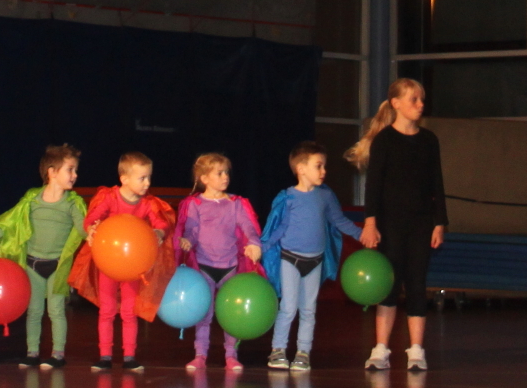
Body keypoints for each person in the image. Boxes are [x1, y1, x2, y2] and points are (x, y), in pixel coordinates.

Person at [351, 78, 447, 373]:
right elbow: (373, 186)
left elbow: (437, 183)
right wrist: (370, 223)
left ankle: (416, 350)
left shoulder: (429, 140)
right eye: (414, 99)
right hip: (390, 224)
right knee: (388, 285)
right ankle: (380, 349)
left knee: (417, 284)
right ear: (396, 103)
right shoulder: (384, 140)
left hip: (421, 223)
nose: (420, 104)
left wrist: (439, 222)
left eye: (421, 99)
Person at [0, 145, 88, 368]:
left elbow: (83, 227)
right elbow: (13, 223)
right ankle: (32, 353)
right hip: (32, 265)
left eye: (75, 170)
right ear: (52, 172)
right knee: (35, 311)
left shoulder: (72, 203)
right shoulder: (32, 199)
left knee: (56, 310)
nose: (75, 175)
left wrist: (94, 233)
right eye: (70, 169)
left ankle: (58, 354)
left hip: (57, 266)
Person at [262, 144, 363, 372]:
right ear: (301, 169)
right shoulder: (288, 197)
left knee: (308, 310)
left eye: (324, 166)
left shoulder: (325, 196)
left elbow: (339, 221)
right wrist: (261, 247)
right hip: (290, 259)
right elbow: (278, 229)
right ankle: (278, 350)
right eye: (318, 166)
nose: (323, 171)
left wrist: (361, 234)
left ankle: (303, 352)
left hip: (315, 261)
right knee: (288, 307)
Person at [75, 152, 176, 372]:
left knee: (129, 312)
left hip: (133, 267)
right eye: (142, 178)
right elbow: (92, 218)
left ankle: (130, 356)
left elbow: (162, 224)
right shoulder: (110, 198)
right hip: (109, 265)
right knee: (107, 310)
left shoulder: (148, 204)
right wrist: (91, 228)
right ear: (124, 178)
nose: (147, 183)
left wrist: (158, 233)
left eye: (149, 177)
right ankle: (105, 356)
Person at [176, 152, 263, 373]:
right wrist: (186, 241)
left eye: (226, 172)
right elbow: (191, 231)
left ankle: (231, 355)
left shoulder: (235, 203)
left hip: (229, 267)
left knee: (230, 314)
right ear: (204, 178)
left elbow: (248, 227)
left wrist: (253, 243)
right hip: (204, 266)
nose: (225, 177)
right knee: (204, 315)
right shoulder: (195, 204)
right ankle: (200, 355)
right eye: (219, 173)